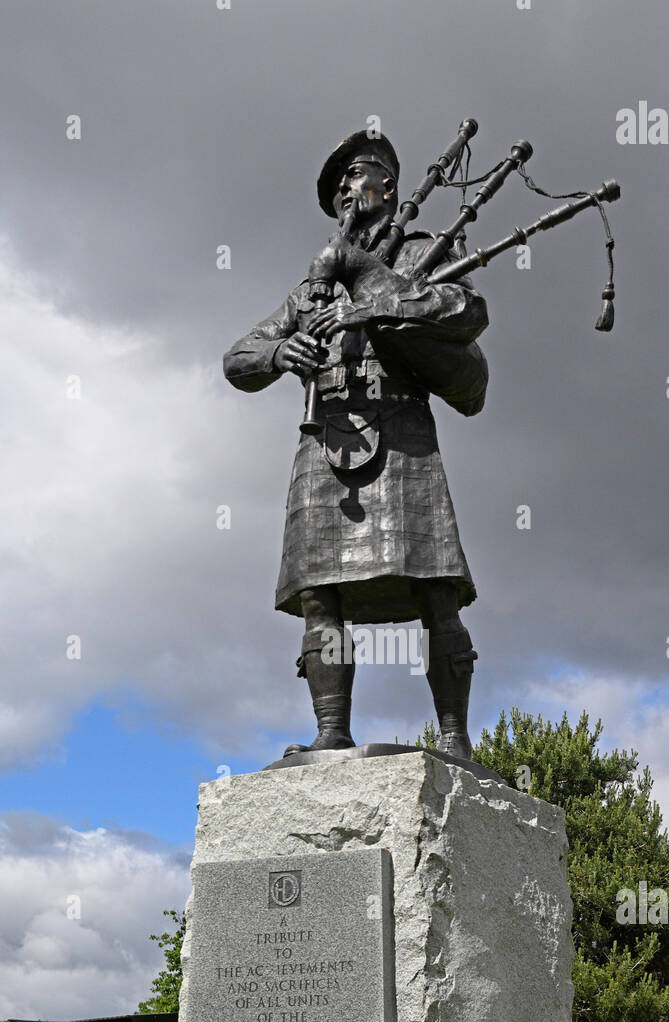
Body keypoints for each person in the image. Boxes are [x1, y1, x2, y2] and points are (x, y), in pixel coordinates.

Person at [224, 130, 489, 760]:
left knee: (434, 588)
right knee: (323, 595)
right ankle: (331, 730)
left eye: (355, 175)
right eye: (338, 184)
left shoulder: (423, 254)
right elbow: (237, 358)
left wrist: (373, 290)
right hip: (326, 442)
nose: (346, 189)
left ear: (389, 186)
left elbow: (467, 311)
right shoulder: (315, 282)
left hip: (403, 439)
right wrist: (280, 351)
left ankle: (454, 739)